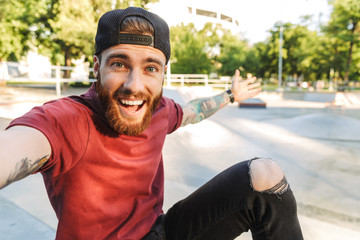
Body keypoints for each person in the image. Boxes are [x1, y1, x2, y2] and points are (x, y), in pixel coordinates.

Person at [0, 7, 303, 240]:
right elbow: (19, 146)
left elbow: (192, 111)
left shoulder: (158, 110)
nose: (134, 85)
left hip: (160, 232)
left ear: (162, 75)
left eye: (150, 68)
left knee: (264, 175)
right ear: (97, 67)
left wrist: (229, 95)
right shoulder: (66, 119)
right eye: (119, 64)